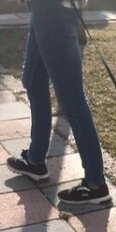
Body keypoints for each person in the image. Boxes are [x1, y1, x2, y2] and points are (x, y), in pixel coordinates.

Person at [6, 0, 110, 205]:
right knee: (33, 80)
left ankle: (96, 183)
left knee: (72, 97)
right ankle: (35, 161)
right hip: (43, 10)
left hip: (54, 11)